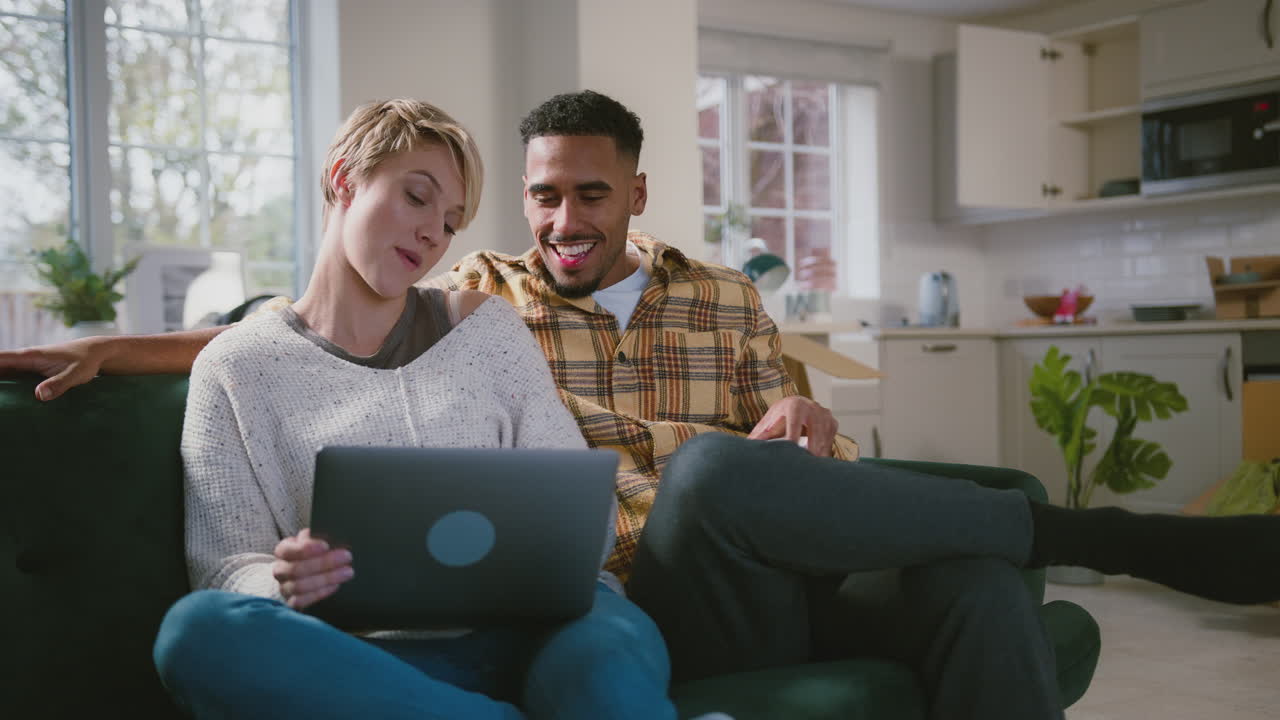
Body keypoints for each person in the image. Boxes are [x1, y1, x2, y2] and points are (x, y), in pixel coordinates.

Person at [5, 90, 1280, 720]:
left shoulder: (709, 299)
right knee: (708, 480)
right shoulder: (474, 294)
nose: (556, 221)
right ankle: (1094, 532)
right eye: (538, 196)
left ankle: (1046, 537)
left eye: (588, 196)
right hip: (612, 590)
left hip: (711, 575)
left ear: (634, 194)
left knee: (950, 573)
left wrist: (808, 423)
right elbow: (297, 334)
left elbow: (787, 424)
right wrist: (122, 347)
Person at [139, 98, 698, 720]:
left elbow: (581, 525)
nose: (435, 231)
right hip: (366, 661)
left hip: (551, 632)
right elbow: (223, 567)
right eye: (416, 197)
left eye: (452, 221)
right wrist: (283, 581)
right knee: (197, 633)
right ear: (343, 178)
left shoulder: (487, 329)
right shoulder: (236, 367)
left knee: (603, 640)